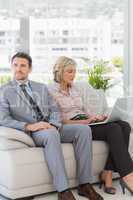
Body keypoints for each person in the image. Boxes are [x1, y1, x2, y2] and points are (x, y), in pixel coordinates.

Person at [0, 52, 104, 200]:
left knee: (84, 130)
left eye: (23, 65)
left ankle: (84, 184)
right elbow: (3, 119)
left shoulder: (40, 87)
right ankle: (63, 190)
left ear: (29, 69)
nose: (19, 69)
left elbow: (54, 109)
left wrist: (54, 124)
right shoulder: (4, 90)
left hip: (52, 127)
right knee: (51, 134)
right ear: (11, 67)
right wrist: (30, 126)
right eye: (15, 65)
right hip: (32, 131)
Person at [48, 56, 133, 196]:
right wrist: (84, 122)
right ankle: (128, 176)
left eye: (74, 71)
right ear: (59, 72)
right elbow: (59, 120)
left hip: (87, 122)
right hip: (74, 127)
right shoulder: (50, 90)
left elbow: (83, 110)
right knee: (114, 129)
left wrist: (96, 117)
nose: (73, 75)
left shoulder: (74, 89)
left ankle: (107, 173)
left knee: (124, 125)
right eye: (70, 71)